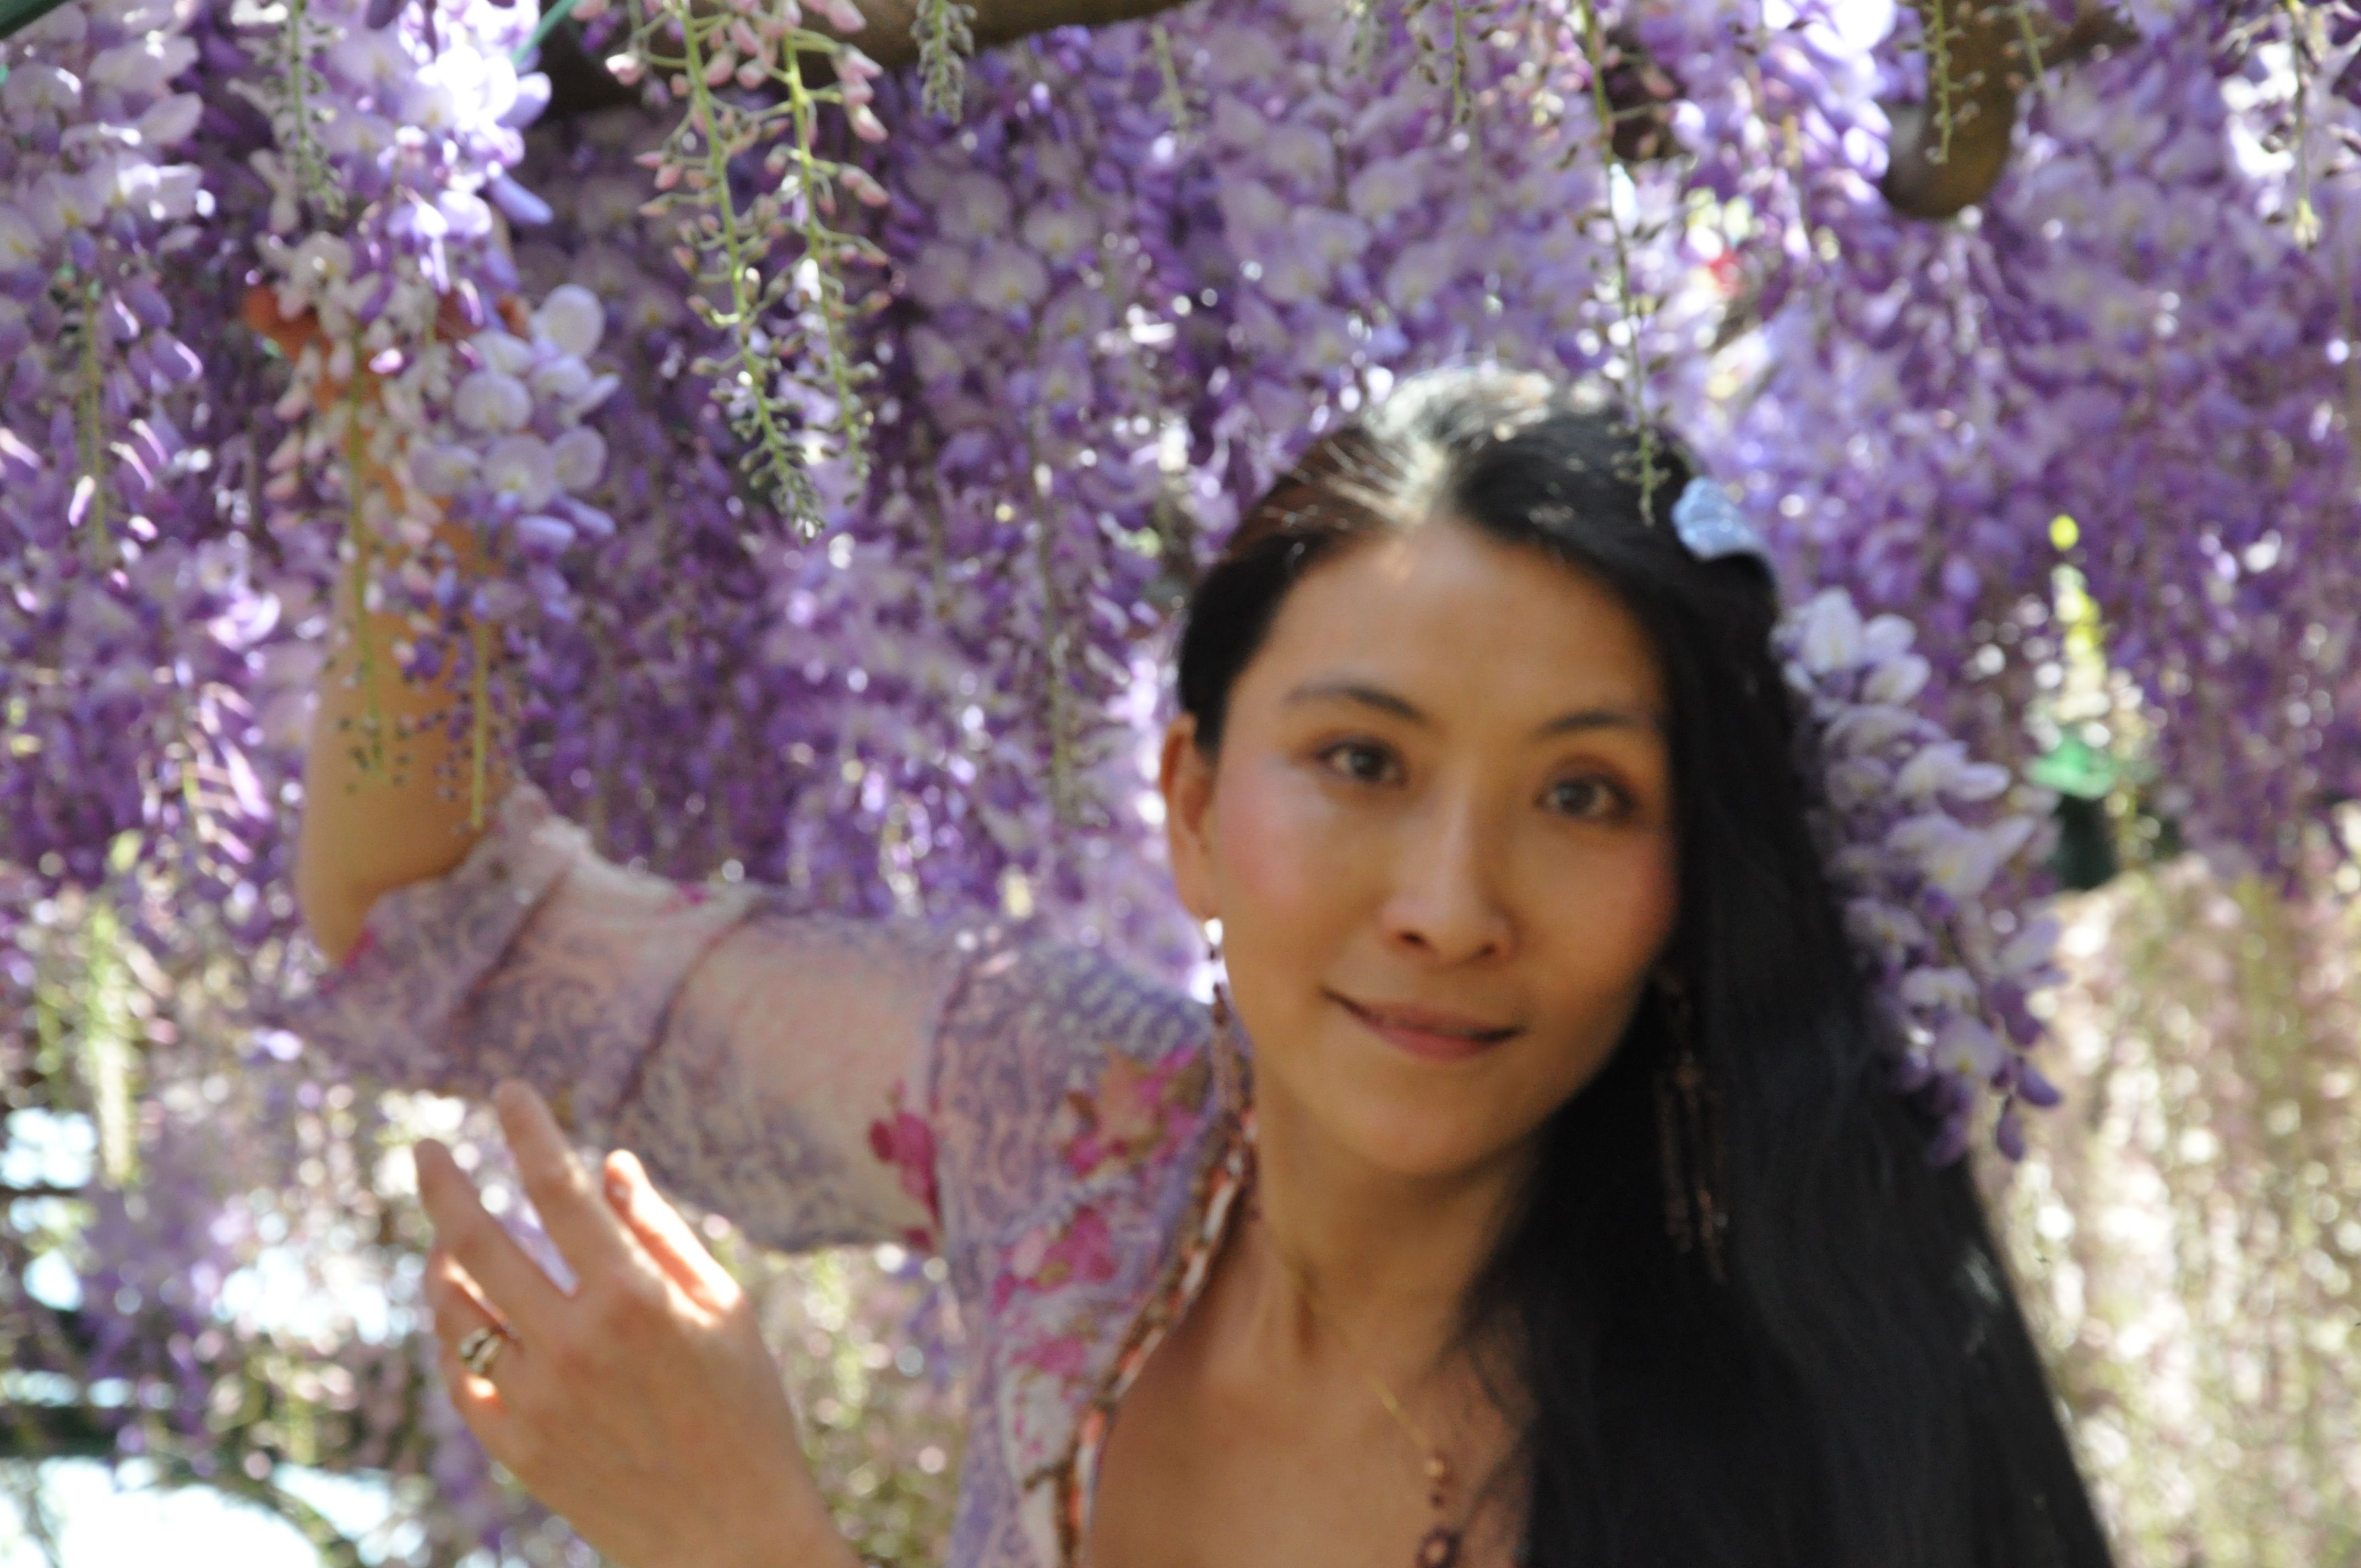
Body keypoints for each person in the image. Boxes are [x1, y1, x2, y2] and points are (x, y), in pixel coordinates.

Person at [290, 366, 2116, 1568]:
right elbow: (448, 922)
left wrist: (742, 1538)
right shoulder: (1073, 1122)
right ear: (1188, 801)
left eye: (1584, 791)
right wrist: (420, 467)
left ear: (1696, 871)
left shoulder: (1795, 1441)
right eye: (1363, 763)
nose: (1451, 904)